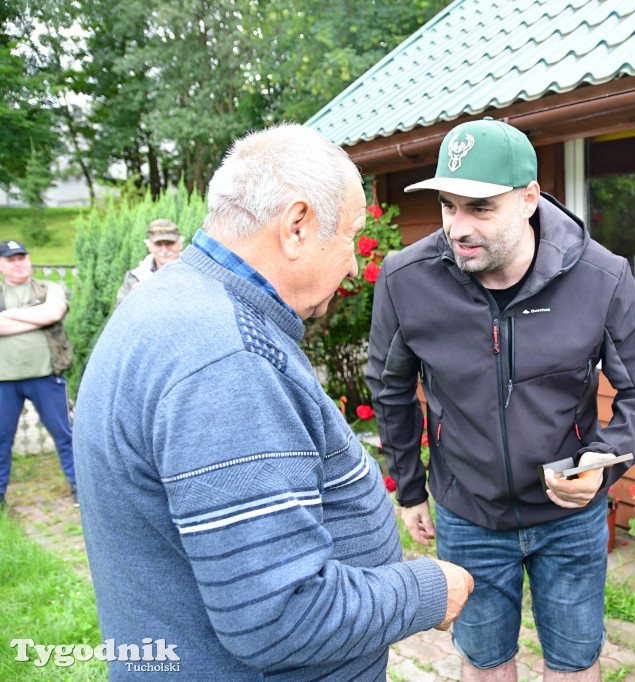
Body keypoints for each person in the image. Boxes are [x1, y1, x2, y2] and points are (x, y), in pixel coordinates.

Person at [73, 123, 473, 681]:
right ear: (297, 226)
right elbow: (280, 617)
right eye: (352, 238)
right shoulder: (226, 360)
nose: (357, 265)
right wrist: (430, 588)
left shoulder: (170, 301)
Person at [366, 117, 635, 681]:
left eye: (479, 208)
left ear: (529, 199)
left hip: (570, 519)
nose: (457, 227)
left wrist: (600, 464)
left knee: (575, 664)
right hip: (469, 515)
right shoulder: (405, 279)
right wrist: (409, 488)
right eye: (447, 206)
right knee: (484, 663)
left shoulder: (601, 278)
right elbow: (390, 390)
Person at [0, 240, 76, 509]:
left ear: (29, 259)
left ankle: (79, 487)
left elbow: (53, 312)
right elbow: (42, 316)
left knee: (65, 434)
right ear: (1, 265)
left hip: (46, 375)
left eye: (22, 257)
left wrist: (8, 316)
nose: (18, 263)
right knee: (0, 440)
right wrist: (34, 315)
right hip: (4, 381)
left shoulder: (48, 288)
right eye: (11, 259)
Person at [114, 218, 184, 306]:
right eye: (158, 244)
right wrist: (132, 299)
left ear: (180, 244)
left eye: (169, 243)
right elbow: (119, 314)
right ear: (149, 247)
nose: (164, 250)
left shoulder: (193, 274)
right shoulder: (134, 277)